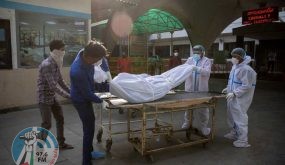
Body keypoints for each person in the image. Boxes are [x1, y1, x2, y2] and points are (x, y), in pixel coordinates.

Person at [70, 40, 106, 165]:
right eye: (97, 59)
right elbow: (87, 95)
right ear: (89, 57)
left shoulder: (83, 53)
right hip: (81, 100)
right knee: (89, 129)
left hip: (87, 91)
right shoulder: (77, 71)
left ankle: (90, 152)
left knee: (90, 125)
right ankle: (86, 161)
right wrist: (104, 99)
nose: (97, 62)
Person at [37, 40, 73, 149]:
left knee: (60, 119)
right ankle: (38, 147)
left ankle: (61, 143)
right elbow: (53, 85)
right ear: (56, 50)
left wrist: (71, 91)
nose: (64, 52)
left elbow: (60, 80)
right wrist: (69, 96)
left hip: (52, 97)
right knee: (47, 124)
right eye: (62, 50)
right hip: (44, 98)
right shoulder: (47, 65)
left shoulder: (56, 62)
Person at [221, 48, 256, 148]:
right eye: (233, 56)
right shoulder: (235, 67)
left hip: (240, 99)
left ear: (242, 57)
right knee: (231, 116)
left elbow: (246, 86)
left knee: (240, 118)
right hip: (232, 96)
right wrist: (228, 88)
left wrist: (235, 93)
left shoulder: (247, 69)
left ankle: (242, 140)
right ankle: (234, 133)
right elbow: (232, 81)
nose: (234, 58)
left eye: (236, 57)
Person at [181, 45, 212, 136]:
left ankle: (203, 127)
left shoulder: (207, 61)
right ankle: (187, 123)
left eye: (198, 53)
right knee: (188, 107)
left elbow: (207, 72)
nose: (196, 54)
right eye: (194, 52)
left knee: (203, 108)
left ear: (202, 52)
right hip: (190, 89)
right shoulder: (190, 59)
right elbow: (184, 69)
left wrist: (197, 68)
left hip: (201, 89)